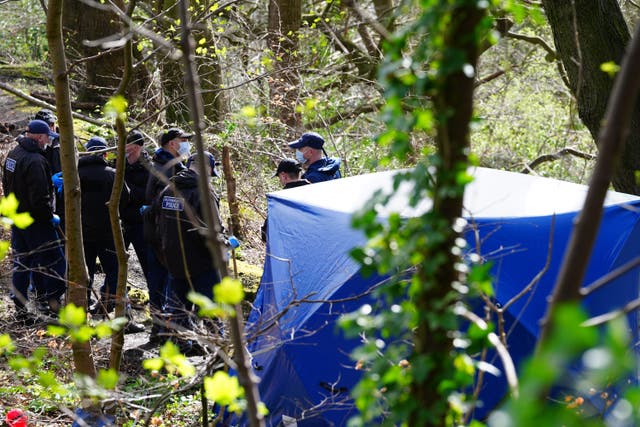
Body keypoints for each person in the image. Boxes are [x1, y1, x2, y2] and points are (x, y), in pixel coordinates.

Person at [153, 151, 222, 349]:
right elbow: (213, 230)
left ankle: (182, 348)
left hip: (173, 261)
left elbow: (158, 223)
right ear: (207, 169)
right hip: (202, 262)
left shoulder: (168, 189)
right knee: (211, 309)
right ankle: (219, 351)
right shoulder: (205, 192)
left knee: (179, 310)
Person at [78, 137, 144, 333]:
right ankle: (124, 320)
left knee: (82, 276)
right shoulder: (112, 175)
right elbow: (125, 200)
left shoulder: (74, 175)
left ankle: (80, 321)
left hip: (82, 235)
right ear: (106, 154)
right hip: (109, 234)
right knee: (117, 275)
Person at [2, 120, 66, 317]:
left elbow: (7, 185)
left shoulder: (14, 154)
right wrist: (50, 217)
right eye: (47, 137)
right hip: (37, 222)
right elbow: (40, 199)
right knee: (55, 261)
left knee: (22, 262)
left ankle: (21, 307)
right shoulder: (36, 161)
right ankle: (53, 303)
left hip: (18, 218)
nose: (49, 141)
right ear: (39, 137)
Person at [143, 127, 192, 343]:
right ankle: (163, 329)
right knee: (163, 281)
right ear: (172, 143)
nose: (186, 144)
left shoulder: (168, 165)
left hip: (163, 234)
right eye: (183, 140)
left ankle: (165, 328)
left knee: (164, 281)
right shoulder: (165, 169)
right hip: (162, 235)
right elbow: (160, 203)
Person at [121, 130, 150, 282]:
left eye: (127, 143)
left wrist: (128, 189)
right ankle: (109, 300)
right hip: (121, 222)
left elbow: (149, 195)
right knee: (115, 264)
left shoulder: (149, 168)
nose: (123, 146)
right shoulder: (119, 165)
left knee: (148, 265)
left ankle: (156, 303)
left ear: (136, 146)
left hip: (141, 224)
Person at [261, 158, 310, 242]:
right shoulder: (315, 190)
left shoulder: (280, 200)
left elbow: (266, 234)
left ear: (284, 175)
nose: (280, 180)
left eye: (279, 176)